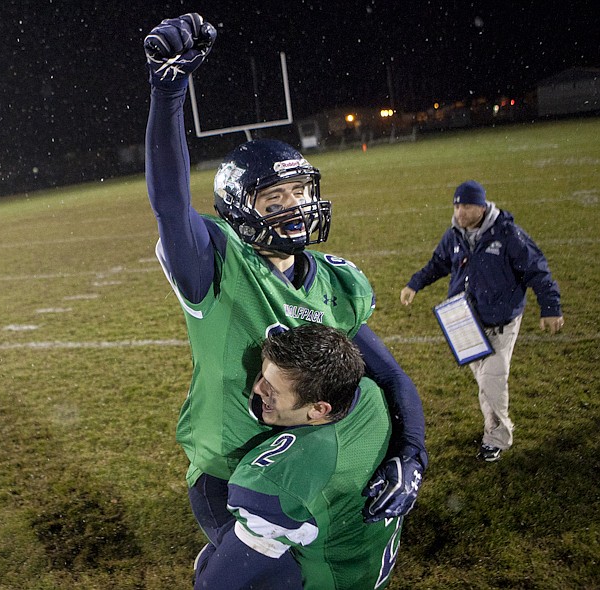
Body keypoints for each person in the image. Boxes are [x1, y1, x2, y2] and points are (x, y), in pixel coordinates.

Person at [143, 12, 426, 550]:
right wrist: (169, 93)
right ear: (238, 211)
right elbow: (169, 200)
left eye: (299, 193)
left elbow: (391, 378)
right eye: (274, 199)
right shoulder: (215, 265)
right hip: (229, 469)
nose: (294, 208)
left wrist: (411, 456)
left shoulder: (336, 285)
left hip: (305, 458)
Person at [194, 324, 402, 590]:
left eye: (272, 389)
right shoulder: (369, 396)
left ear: (318, 409)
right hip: (365, 566)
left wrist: (209, 562)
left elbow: (214, 584)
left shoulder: (286, 479)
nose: (257, 389)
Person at [400, 180, 563, 462]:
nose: (460, 211)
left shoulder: (508, 234)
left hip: (501, 320)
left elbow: (537, 270)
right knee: (486, 382)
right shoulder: (454, 235)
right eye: (457, 205)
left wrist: (550, 307)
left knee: (492, 379)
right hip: (464, 320)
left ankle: (497, 437)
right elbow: (437, 263)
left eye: (467, 206)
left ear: (482, 206)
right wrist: (415, 284)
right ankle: (492, 429)